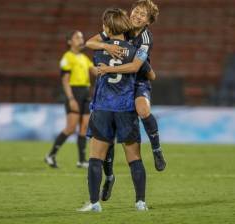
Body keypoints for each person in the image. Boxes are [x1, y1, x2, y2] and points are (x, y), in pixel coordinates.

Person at [85, 0, 165, 202]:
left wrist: (108, 68)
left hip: (137, 81)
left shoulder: (146, 38)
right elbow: (90, 42)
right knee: (107, 140)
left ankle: (157, 150)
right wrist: (106, 46)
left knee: (143, 110)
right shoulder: (122, 27)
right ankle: (110, 176)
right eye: (136, 11)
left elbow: (138, 67)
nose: (137, 16)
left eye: (142, 15)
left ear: (148, 21)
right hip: (115, 92)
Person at [78, 8, 151, 212]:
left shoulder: (100, 49)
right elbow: (148, 73)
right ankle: (140, 202)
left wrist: (105, 41)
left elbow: (93, 50)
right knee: (134, 158)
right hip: (126, 108)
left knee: (95, 158)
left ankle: (94, 203)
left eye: (104, 25)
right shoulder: (135, 49)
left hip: (103, 108)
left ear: (108, 27)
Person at [44, 31, 97, 169]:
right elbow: (65, 80)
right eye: (77, 37)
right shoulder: (67, 57)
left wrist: (108, 67)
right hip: (74, 93)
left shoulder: (84, 58)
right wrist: (71, 98)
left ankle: (81, 160)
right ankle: (51, 155)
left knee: (84, 127)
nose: (81, 39)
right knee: (71, 128)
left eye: (81, 37)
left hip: (86, 93)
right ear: (69, 42)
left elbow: (95, 72)